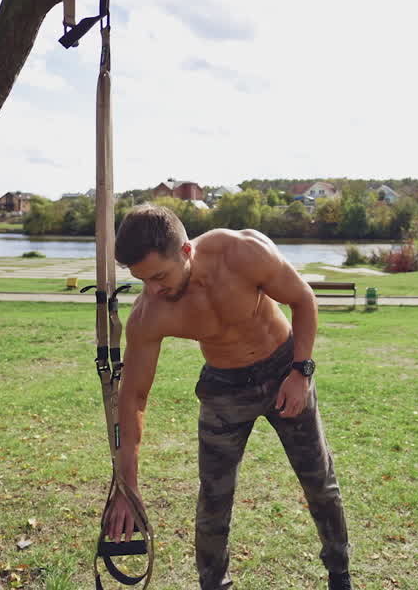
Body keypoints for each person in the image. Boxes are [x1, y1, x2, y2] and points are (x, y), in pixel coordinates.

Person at [105, 204, 351, 590]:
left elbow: (303, 299)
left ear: (186, 251)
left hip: (285, 368)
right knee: (213, 501)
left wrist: (301, 373)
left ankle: (340, 573)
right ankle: (214, 585)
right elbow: (134, 396)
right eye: (142, 280)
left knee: (319, 481)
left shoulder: (242, 253)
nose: (152, 289)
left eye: (158, 276)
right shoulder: (150, 312)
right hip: (224, 387)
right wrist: (127, 485)